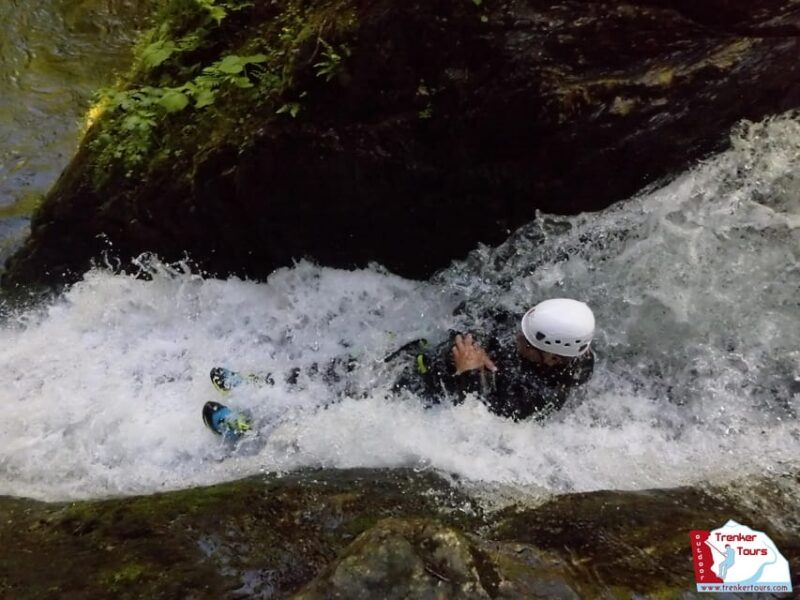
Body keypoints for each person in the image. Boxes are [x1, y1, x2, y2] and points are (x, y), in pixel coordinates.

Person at [391, 298, 596, 420]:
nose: (517, 337)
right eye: (523, 331)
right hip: (420, 361)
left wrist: (470, 371)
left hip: (427, 404)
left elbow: (477, 423)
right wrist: (475, 342)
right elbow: (471, 308)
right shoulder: (541, 328)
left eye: (527, 343)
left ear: (553, 359)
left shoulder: (540, 396)